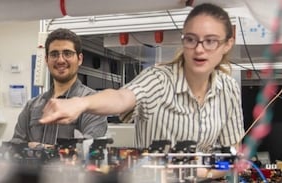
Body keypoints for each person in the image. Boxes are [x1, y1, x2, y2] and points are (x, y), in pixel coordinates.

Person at [40, 3, 244, 179]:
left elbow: (232, 153)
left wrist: (205, 171)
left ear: (227, 44)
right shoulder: (159, 80)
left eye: (210, 41)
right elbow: (122, 97)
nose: (199, 49)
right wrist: (81, 103)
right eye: (191, 39)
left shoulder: (228, 89)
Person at [10, 28, 108, 148]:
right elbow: (15, 147)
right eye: (54, 54)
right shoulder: (32, 106)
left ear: (80, 59)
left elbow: (89, 149)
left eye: (67, 53)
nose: (60, 60)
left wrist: (37, 147)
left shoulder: (92, 103)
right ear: (46, 60)